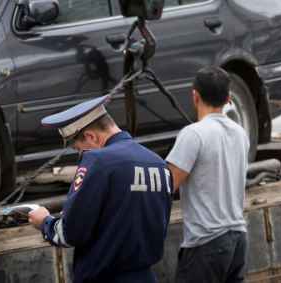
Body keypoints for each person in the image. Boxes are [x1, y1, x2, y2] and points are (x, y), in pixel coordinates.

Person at [28, 95, 172, 283]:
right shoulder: (159, 164)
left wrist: (45, 222)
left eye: (79, 149)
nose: (80, 154)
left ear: (90, 136)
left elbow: (71, 233)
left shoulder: (98, 160)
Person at [166, 67, 249, 283]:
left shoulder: (193, 134)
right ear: (229, 98)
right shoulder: (240, 133)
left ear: (195, 96)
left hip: (207, 243)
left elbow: (167, 185)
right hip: (238, 238)